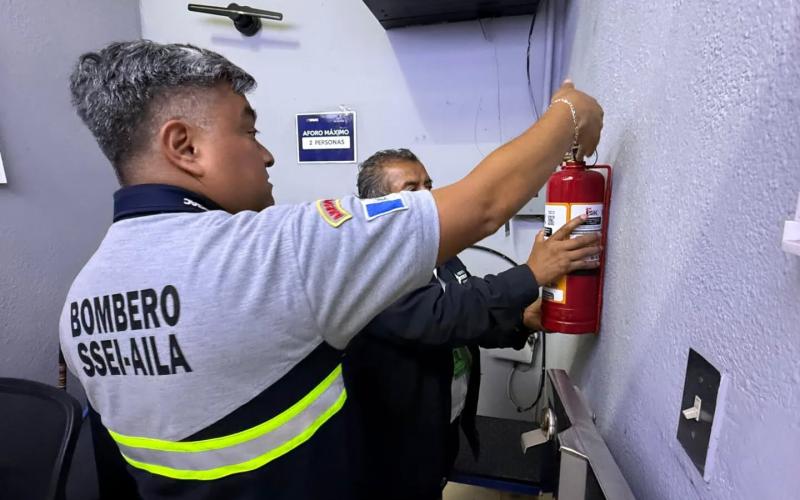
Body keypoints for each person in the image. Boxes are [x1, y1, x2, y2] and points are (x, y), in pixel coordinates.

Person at [59, 40, 603, 500]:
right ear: (185, 146)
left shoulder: (79, 305)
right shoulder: (275, 251)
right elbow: (485, 204)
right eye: (248, 131)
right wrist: (570, 113)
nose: (268, 155)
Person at [344, 149, 597, 499]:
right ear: (375, 205)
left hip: (440, 432)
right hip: (393, 448)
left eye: (429, 186)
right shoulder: (371, 268)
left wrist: (523, 320)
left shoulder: (440, 254)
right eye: (410, 189)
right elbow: (442, 315)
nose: (427, 197)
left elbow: (467, 320)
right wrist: (529, 274)